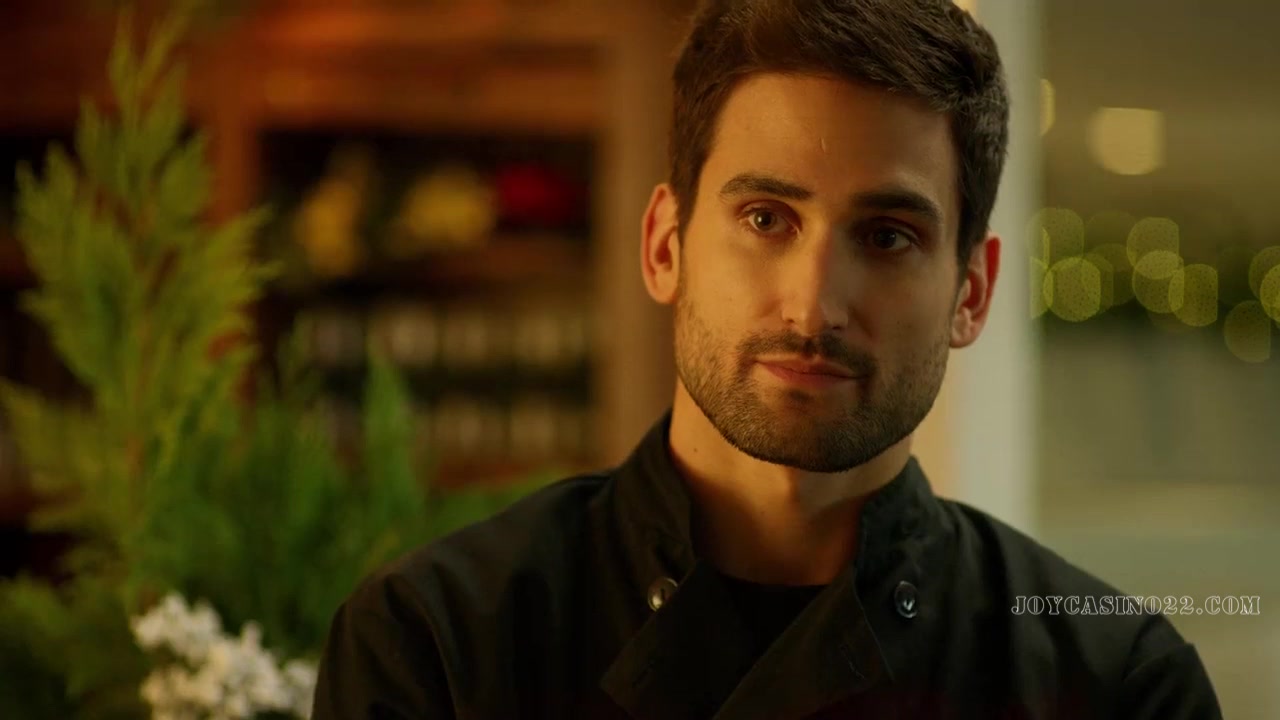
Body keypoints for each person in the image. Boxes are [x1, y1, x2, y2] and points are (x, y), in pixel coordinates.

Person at [312, 0, 1223, 717]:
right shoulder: (434, 643)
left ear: (972, 292)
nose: (813, 305)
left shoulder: (1118, 683)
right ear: (665, 245)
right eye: (765, 219)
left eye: (887, 235)